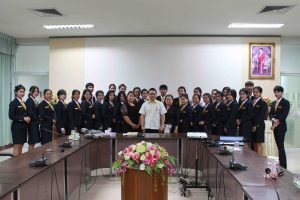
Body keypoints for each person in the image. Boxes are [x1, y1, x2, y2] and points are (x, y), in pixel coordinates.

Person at [269, 86, 290, 169]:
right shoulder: (273, 103)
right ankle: (281, 163)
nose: (276, 94)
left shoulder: (286, 102)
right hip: (275, 126)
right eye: (275, 92)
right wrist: (273, 119)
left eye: (278, 92)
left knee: (281, 146)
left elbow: (284, 115)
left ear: (282, 92)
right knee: (278, 146)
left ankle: (283, 165)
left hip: (281, 127)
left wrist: (276, 122)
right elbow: (270, 113)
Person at [9, 85, 30, 156]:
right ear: (16, 92)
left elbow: (24, 113)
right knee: (17, 146)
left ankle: (19, 163)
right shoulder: (13, 103)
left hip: (23, 127)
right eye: (20, 92)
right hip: (16, 128)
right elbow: (11, 116)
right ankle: (15, 164)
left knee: (21, 145)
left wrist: (27, 117)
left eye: (23, 92)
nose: (22, 93)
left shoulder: (23, 102)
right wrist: (23, 118)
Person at [252, 86, 268, 155]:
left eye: (257, 92)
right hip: (252, 125)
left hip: (259, 125)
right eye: (254, 92)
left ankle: (259, 159)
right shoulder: (252, 101)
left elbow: (261, 116)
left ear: (260, 93)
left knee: (259, 142)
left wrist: (256, 125)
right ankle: (255, 157)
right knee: (254, 142)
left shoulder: (263, 103)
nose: (255, 93)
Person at [26, 86, 41, 152]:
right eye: (34, 91)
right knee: (32, 142)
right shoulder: (29, 100)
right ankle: (30, 157)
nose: (36, 93)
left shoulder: (34, 100)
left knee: (34, 141)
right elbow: (30, 113)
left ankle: (31, 156)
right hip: (32, 123)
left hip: (35, 123)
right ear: (30, 91)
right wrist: (39, 119)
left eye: (37, 91)